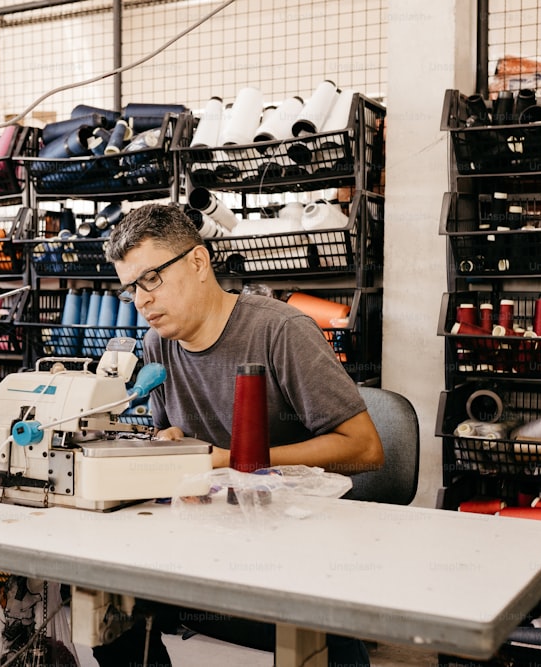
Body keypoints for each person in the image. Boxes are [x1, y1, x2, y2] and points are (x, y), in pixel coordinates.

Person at [92, 202, 384, 667]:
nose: (142, 300)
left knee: (322, 649)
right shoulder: (156, 345)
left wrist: (234, 458)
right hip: (205, 540)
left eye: (151, 279)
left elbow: (366, 448)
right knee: (105, 612)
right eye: (131, 289)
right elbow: (173, 438)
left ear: (198, 261)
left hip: (291, 550)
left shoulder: (280, 332)